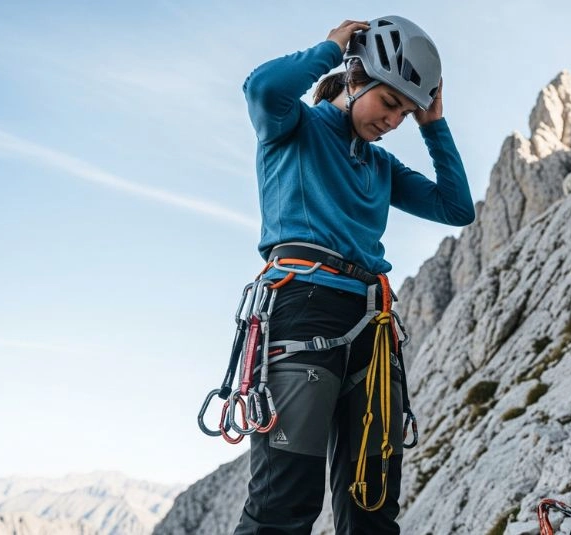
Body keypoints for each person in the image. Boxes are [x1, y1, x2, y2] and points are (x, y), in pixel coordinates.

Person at [232, 16, 474, 535]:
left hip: (374, 327)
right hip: (302, 311)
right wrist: (332, 46)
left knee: (373, 502)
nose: (393, 121)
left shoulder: (380, 166)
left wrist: (434, 125)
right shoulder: (293, 126)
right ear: (355, 78)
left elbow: (457, 208)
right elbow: (263, 87)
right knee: (285, 504)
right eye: (389, 103)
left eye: (405, 113)